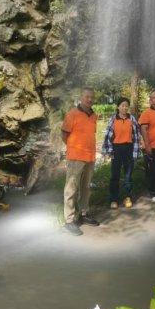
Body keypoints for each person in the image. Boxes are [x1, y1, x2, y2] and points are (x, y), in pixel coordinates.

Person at [61, 88, 100, 236]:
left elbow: (90, 134)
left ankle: (84, 213)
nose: (89, 99)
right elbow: (64, 134)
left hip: (90, 156)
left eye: (92, 97)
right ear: (81, 97)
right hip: (76, 157)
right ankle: (69, 220)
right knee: (71, 188)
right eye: (87, 96)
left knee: (85, 187)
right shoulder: (72, 114)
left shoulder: (94, 115)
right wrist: (73, 148)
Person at [102, 97, 141, 209]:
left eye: (126, 106)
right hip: (116, 149)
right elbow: (108, 136)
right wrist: (109, 151)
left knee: (128, 175)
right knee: (115, 175)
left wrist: (135, 153)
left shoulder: (131, 119)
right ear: (118, 107)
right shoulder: (113, 119)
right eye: (122, 105)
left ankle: (127, 197)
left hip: (129, 148)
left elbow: (136, 136)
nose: (124, 108)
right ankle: (114, 199)